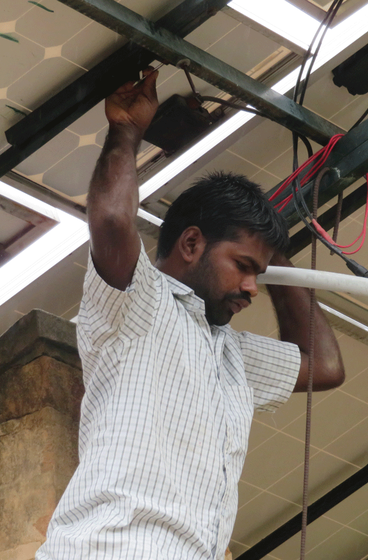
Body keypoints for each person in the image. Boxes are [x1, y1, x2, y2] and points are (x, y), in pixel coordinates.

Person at [36, 69, 345, 560]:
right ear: (191, 242)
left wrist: (273, 252)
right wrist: (126, 132)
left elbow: (325, 367)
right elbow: (114, 220)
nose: (252, 288)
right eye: (243, 267)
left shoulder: (231, 355)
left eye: (258, 275)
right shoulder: (141, 302)